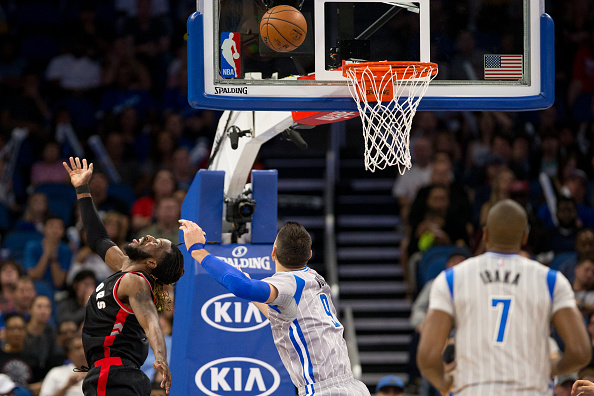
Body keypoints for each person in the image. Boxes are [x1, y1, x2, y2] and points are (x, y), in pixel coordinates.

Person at [417, 199, 591, 395]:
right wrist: (553, 367)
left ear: (485, 235)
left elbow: (428, 357)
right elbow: (580, 351)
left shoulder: (452, 279)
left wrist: (444, 381)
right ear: (525, 237)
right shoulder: (550, 280)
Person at [179, 219, 371, 396]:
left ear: (273, 252)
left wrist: (197, 250)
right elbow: (282, 315)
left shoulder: (288, 283)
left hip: (323, 390)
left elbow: (240, 287)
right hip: (353, 387)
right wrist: (249, 285)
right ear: (310, 255)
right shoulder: (314, 278)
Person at [63, 157, 185, 395]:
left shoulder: (134, 281)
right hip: (120, 376)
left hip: (112, 375)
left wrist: (161, 357)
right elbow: (97, 238)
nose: (150, 237)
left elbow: (151, 321)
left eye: (156, 243)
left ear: (151, 263)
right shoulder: (124, 268)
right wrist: (82, 189)